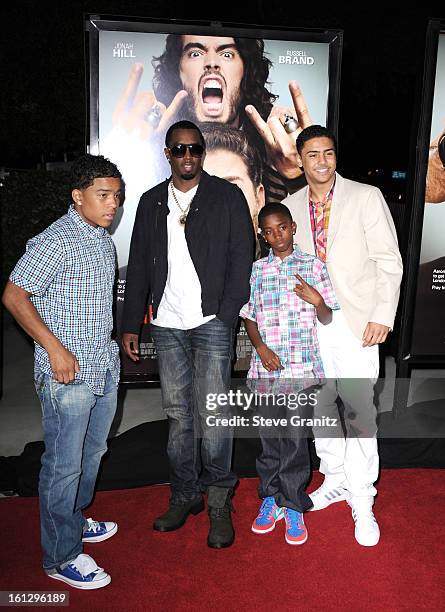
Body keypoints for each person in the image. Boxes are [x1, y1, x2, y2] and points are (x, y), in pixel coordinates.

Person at [121, 120, 253, 548]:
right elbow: (139, 263)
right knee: (178, 414)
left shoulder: (227, 196)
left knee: (213, 414)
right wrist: (130, 326)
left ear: (203, 151)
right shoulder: (152, 202)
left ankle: (218, 499)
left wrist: (227, 314)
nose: (188, 156)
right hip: (167, 322)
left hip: (211, 320)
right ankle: (184, 493)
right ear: (168, 152)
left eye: (194, 148)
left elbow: (242, 257)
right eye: (179, 149)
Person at [2, 155, 123, 589]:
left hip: (103, 367)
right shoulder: (55, 240)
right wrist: (53, 348)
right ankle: (61, 555)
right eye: (103, 195)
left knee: (92, 456)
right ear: (78, 197)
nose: (112, 204)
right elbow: (15, 296)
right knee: (63, 466)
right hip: (66, 376)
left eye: (116, 196)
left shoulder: (103, 241)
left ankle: (72, 518)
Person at [284, 126, 403, 547]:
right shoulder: (290, 207)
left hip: (356, 324)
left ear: (336, 156)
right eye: (312, 154)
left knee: (358, 413)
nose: (321, 161)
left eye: (328, 153)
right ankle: (334, 477)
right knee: (321, 409)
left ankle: (363, 498)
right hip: (310, 327)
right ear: (300, 160)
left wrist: (381, 315)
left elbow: (389, 261)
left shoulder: (365, 196)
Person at [106, 34, 313, 209]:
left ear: (245, 72)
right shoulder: (156, 150)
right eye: (195, 53)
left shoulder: (279, 158)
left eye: (227, 54)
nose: (211, 63)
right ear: (178, 73)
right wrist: (122, 154)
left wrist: (300, 177)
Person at [240, 202, 338, 545]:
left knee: (295, 440)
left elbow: (327, 317)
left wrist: (317, 300)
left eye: (282, 227)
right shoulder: (256, 271)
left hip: (301, 368)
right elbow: (249, 316)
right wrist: (262, 349)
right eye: (268, 231)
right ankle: (271, 498)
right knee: (269, 439)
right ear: (262, 236)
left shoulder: (313, 266)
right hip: (266, 370)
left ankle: (293, 503)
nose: (276, 235)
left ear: (293, 227)